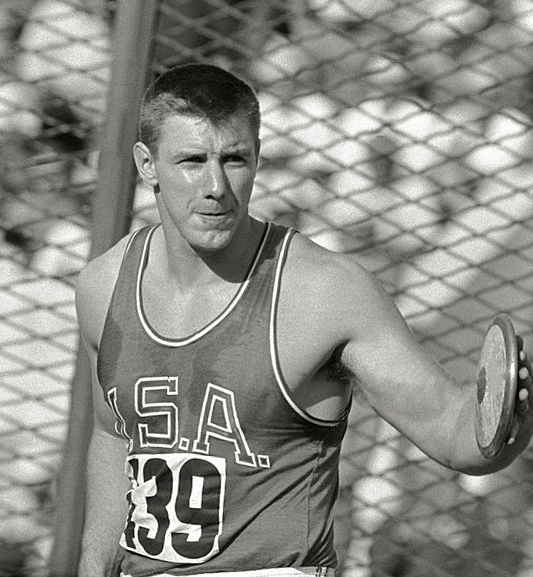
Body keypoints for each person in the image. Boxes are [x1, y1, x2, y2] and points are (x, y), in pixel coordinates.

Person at [75, 63, 533, 577]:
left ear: (257, 158)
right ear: (147, 164)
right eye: (191, 161)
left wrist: (507, 419)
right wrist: (94, 561)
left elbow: (455, 435)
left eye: (234, 160)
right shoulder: (103, 285)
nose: (216, 186)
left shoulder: (325, 290)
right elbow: (115, 433)